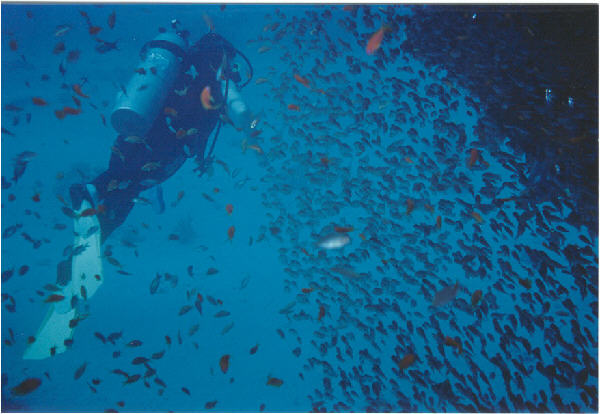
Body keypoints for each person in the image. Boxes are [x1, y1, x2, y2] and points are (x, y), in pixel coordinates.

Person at [23, 26, 256, 360]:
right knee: (125, 190)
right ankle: (88, 199)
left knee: (120, 188)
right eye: (229, 60)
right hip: (162, 150)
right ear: (223, 56)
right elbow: (230, 118)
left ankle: (73, 265)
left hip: (133, 138)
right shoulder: (216, 79)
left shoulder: (180, 73)